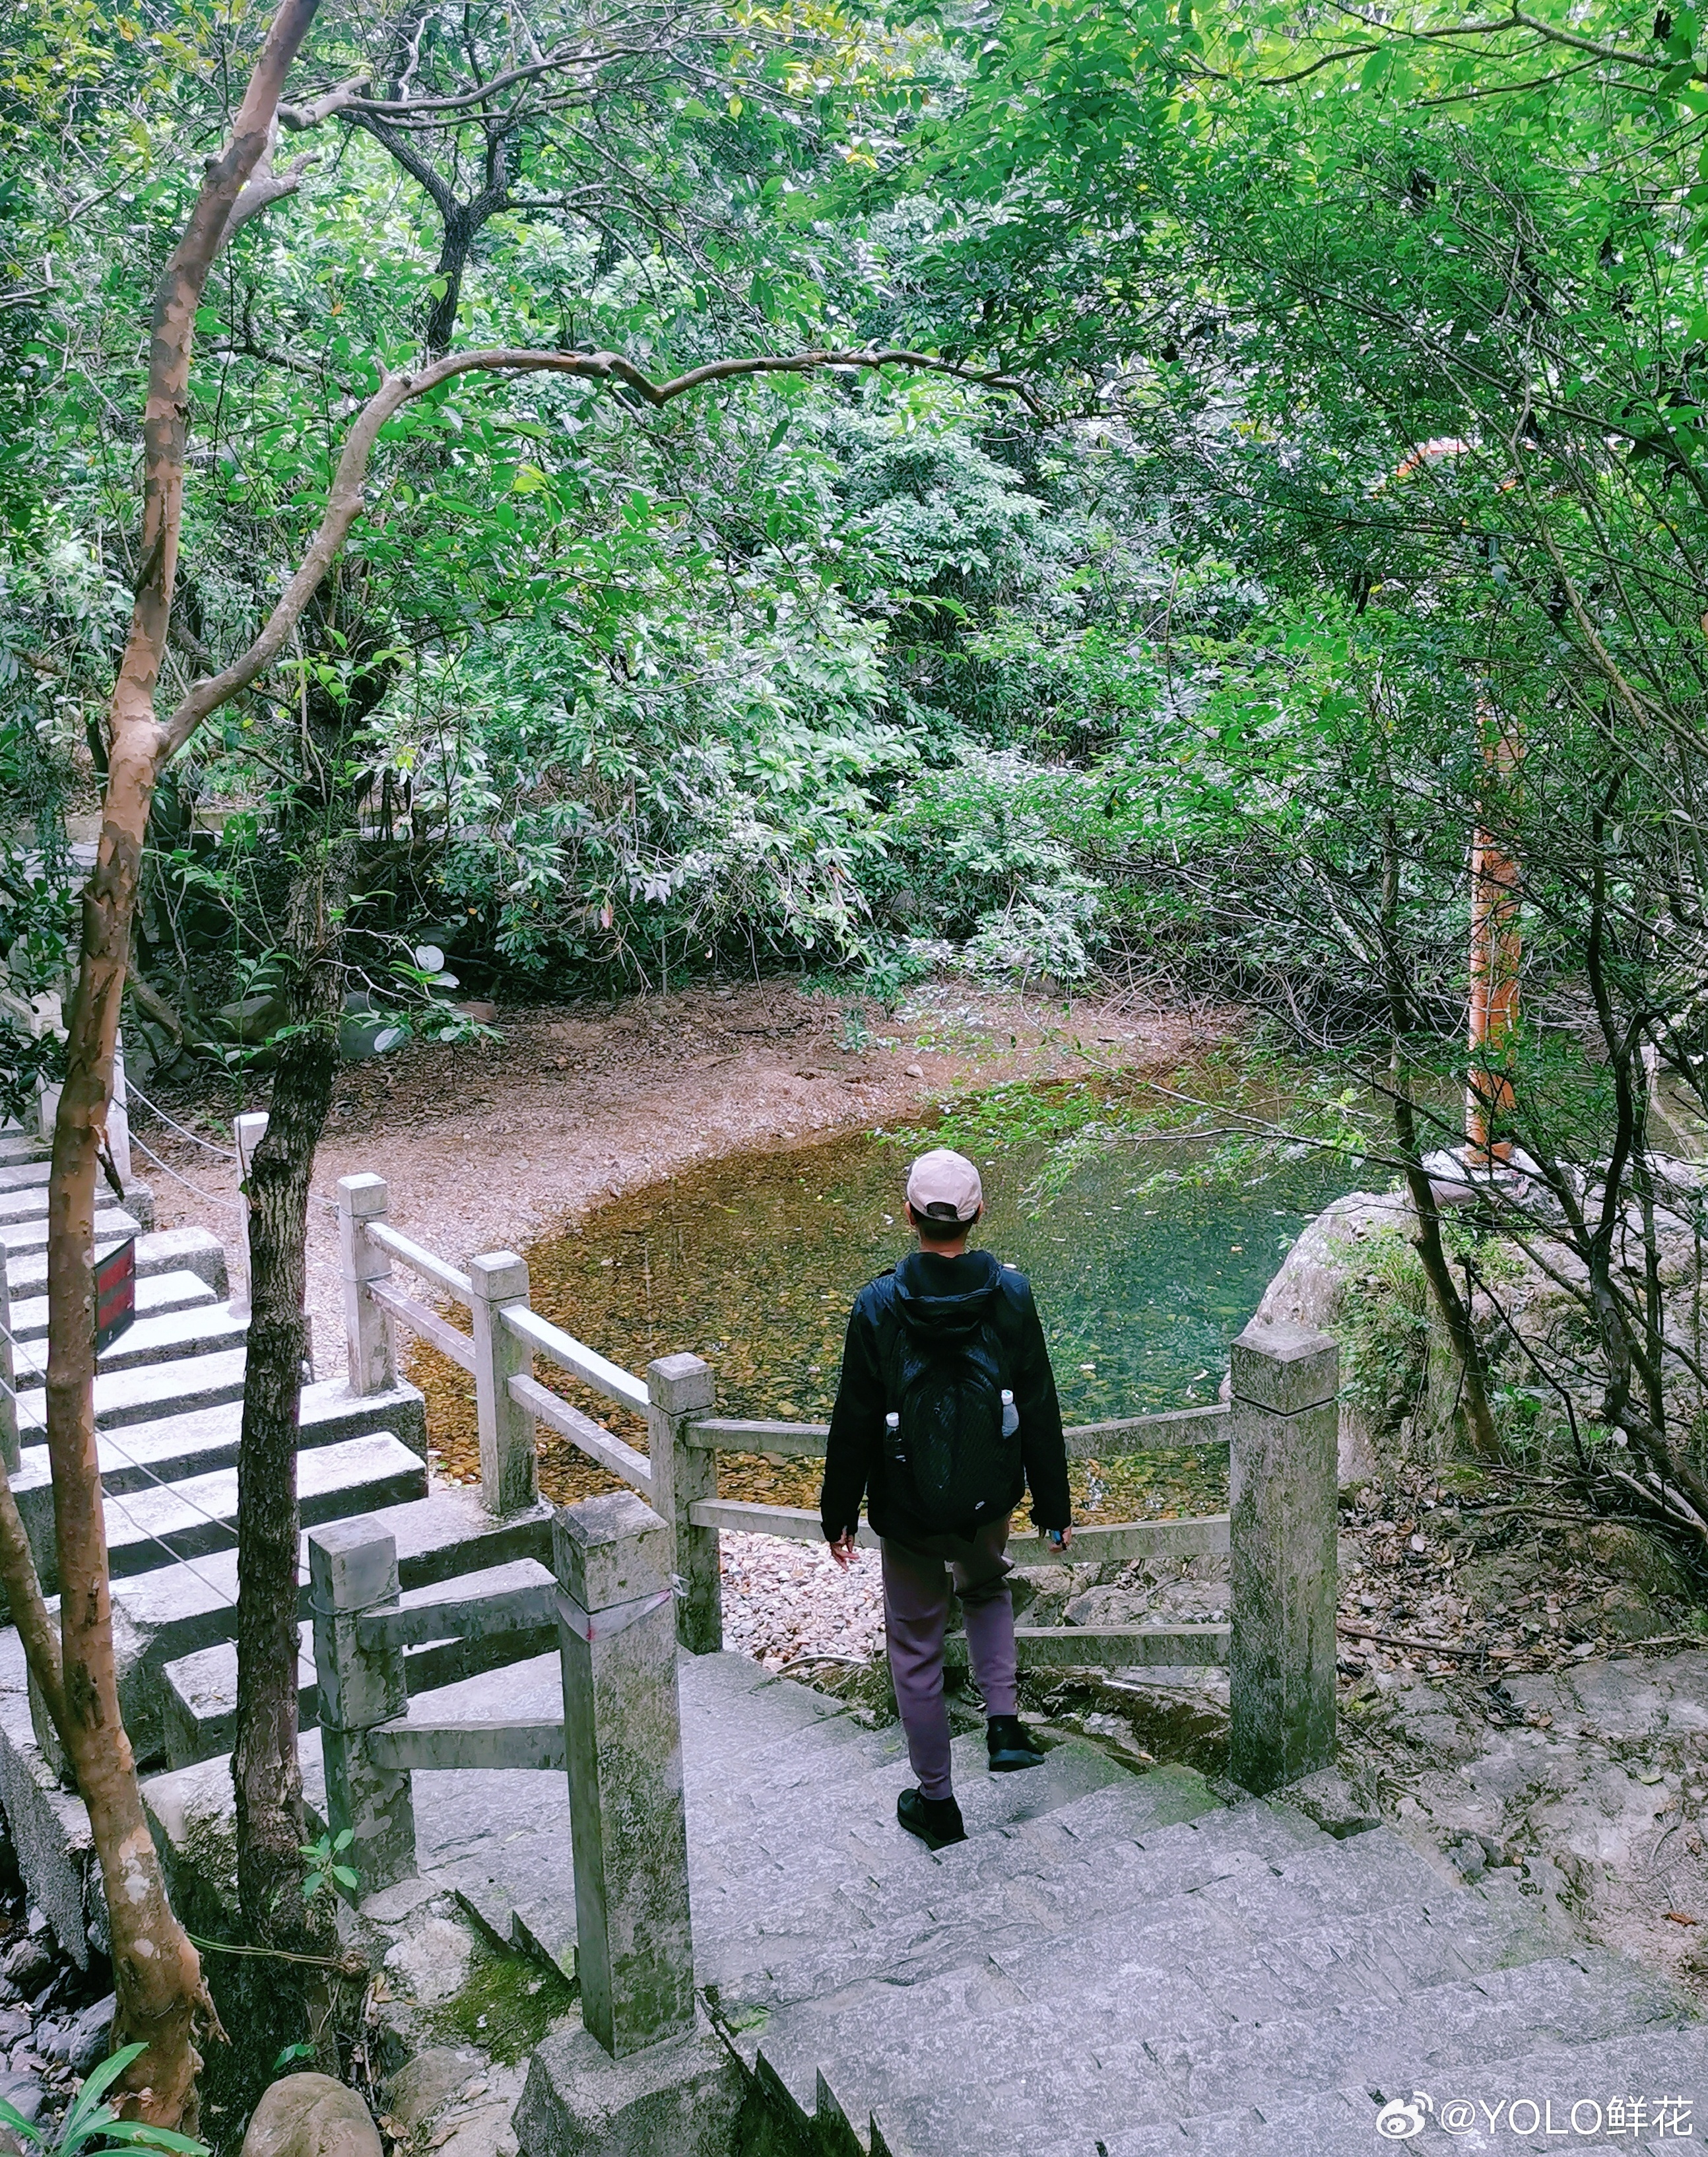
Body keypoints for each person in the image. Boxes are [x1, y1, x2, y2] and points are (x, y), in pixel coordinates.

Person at [820, 1146, 1072, 1851]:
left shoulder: (876, 1305)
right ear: (977, 1212)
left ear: (908, 1215)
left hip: (905, 1507)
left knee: (914, 1648)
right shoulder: (1011, 1295)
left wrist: (837, 1513)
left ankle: (938, 1802)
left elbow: (855, 1419)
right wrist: (1053, 1507)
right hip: (987, 1493)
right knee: (987, 1589)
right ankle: (1004, 1727)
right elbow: (1039, 1404)